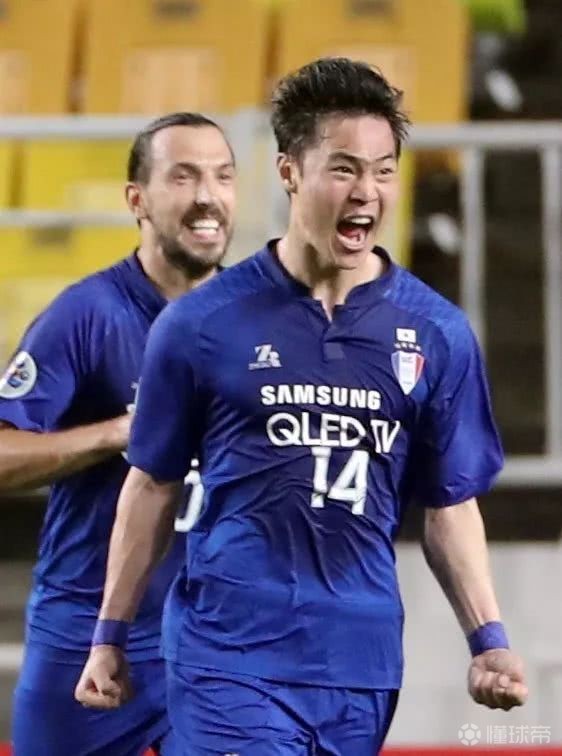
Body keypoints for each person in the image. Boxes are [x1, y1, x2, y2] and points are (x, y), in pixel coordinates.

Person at [75, 59, 527, 755]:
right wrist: (109, 634)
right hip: (228, 654)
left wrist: (488, 638)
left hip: (360, 666)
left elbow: (450, 504)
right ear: (289, 171)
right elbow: (152, 483)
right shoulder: (201, 323)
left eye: (383, 171)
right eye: (344, 169)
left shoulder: (437, 332)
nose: (367, 192)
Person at [0, 111, 236, 755]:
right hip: (86, 634)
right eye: (183, 177)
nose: (208, 196)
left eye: (222, 176)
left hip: (217, 644)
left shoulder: (259, 321)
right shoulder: (86, 314)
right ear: (137, 199)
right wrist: (117, 433)